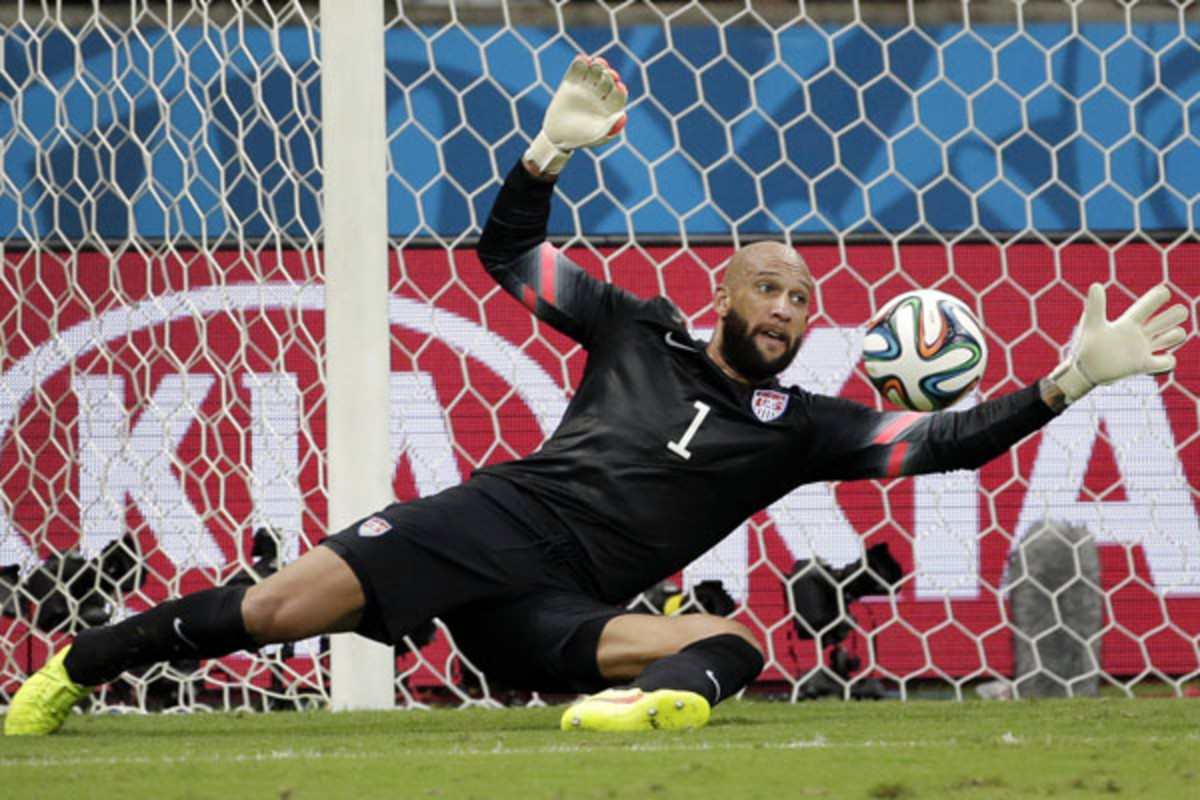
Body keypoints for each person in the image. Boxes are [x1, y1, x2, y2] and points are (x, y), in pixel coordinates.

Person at [4, 56, 1189, 736]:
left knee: (731, 639)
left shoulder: (802, 429)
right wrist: (545, 158)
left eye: (802, 302)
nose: (786, 309)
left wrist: (1071, 378)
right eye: (769, 288)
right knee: (269, 610)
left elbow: (944, 441)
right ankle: (72, 669)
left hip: (566, 606)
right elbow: (510, 258)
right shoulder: (634, 328)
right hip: (488, 521)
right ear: (725, 290)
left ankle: (640, 711)